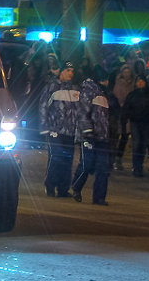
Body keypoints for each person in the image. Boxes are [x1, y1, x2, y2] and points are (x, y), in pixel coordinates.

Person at [40, 61, 82, 198]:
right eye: (68, 70)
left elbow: (79, 110)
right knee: (56, 158)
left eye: (72, 71)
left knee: (67, 160)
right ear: (62, 71)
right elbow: (43, 106)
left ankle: (63, 189)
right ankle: (50, 186)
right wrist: (44, 126)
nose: (71, 73)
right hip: (55, 130)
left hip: (70, 131)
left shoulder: (75, 89)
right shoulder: (52, 86)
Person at [71, 65, 111, 205]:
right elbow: (83, 112)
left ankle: (99, 198)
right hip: (88, 136)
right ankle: (76, 187)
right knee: (86, 165)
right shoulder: (89, 91)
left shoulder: (103, 92)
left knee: (103, 168)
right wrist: (87, 130)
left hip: (102, 136)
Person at [122, 76, 149, 178]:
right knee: (137, 144)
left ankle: (139, 166)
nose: (140, 83)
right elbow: (126, 108)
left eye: (142, 81)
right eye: (138, 81)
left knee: (142, 145)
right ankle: (136, 167)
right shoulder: (132, 95)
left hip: (146, 123)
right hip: (135, 122)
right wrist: (126, 118)